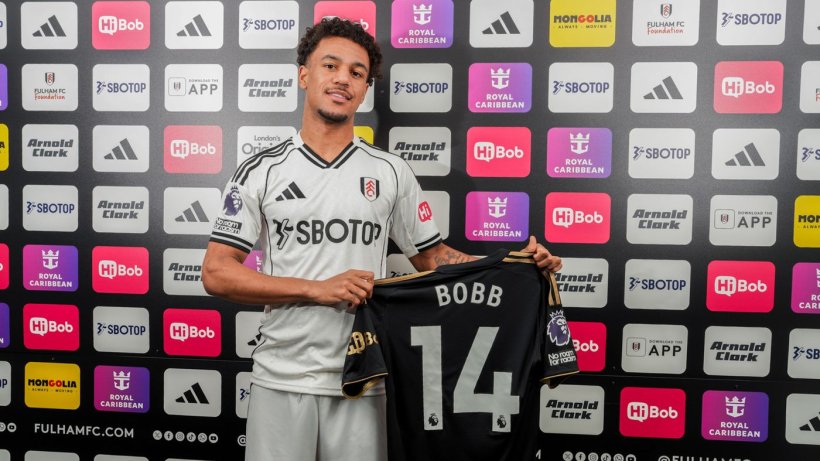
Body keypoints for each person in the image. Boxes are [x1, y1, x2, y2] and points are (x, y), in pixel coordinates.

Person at [201, 17, 562, 461]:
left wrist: (515, 267)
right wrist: (316, 289)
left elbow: (434, 259)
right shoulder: (261, 170)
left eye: (357, 72)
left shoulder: (390, 172)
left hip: (365, 374)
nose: (343, 79)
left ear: (365, 88)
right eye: (330, 65)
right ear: (304, 75)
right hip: (281, 377)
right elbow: (217, 273)